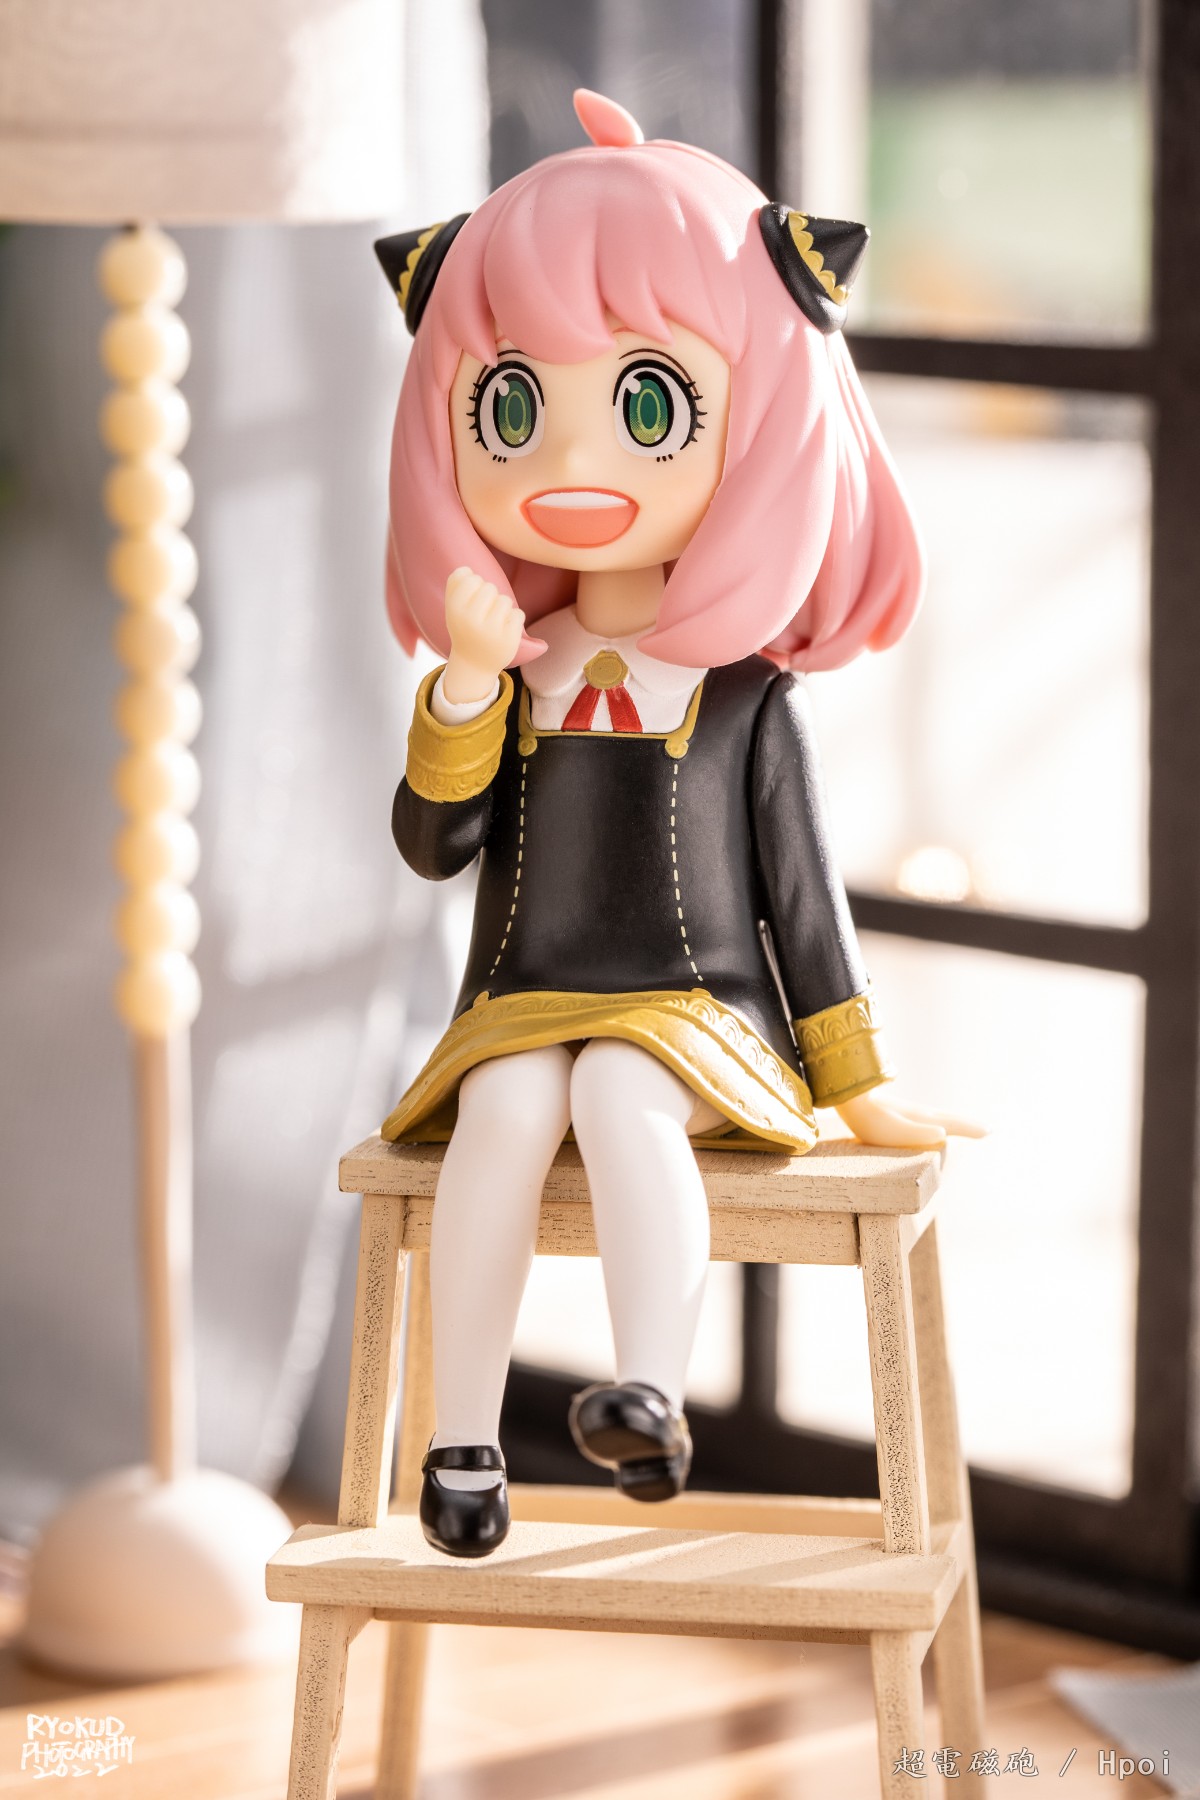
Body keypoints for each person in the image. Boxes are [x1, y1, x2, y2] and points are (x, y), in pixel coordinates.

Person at [373, 88, 977, 1558]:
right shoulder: (511, 675)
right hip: (522, 999)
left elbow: (804, 900)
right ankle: (462, 1448)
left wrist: (856, 1080)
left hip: (698, 1013)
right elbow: (434, 846)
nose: (568, 466)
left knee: (624, 1097)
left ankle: (648, 1393)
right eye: (510, 409)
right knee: (506, 1112)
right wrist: (466, 688)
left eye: (649, 406)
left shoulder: (749, 696)